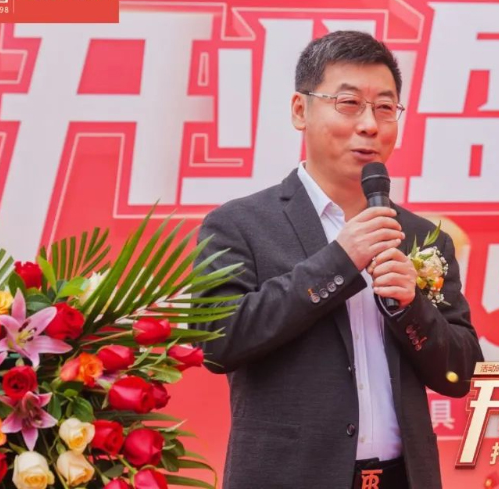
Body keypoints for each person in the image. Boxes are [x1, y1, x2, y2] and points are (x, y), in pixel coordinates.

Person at [195, 30, 483, 489]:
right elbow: (219, 343)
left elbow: (461, 374)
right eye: (348, 103)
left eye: (385, 107)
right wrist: (339, 262)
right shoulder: (239, 225)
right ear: (300, 110)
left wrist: (413, 306)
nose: (369, 125)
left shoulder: (422, 237)